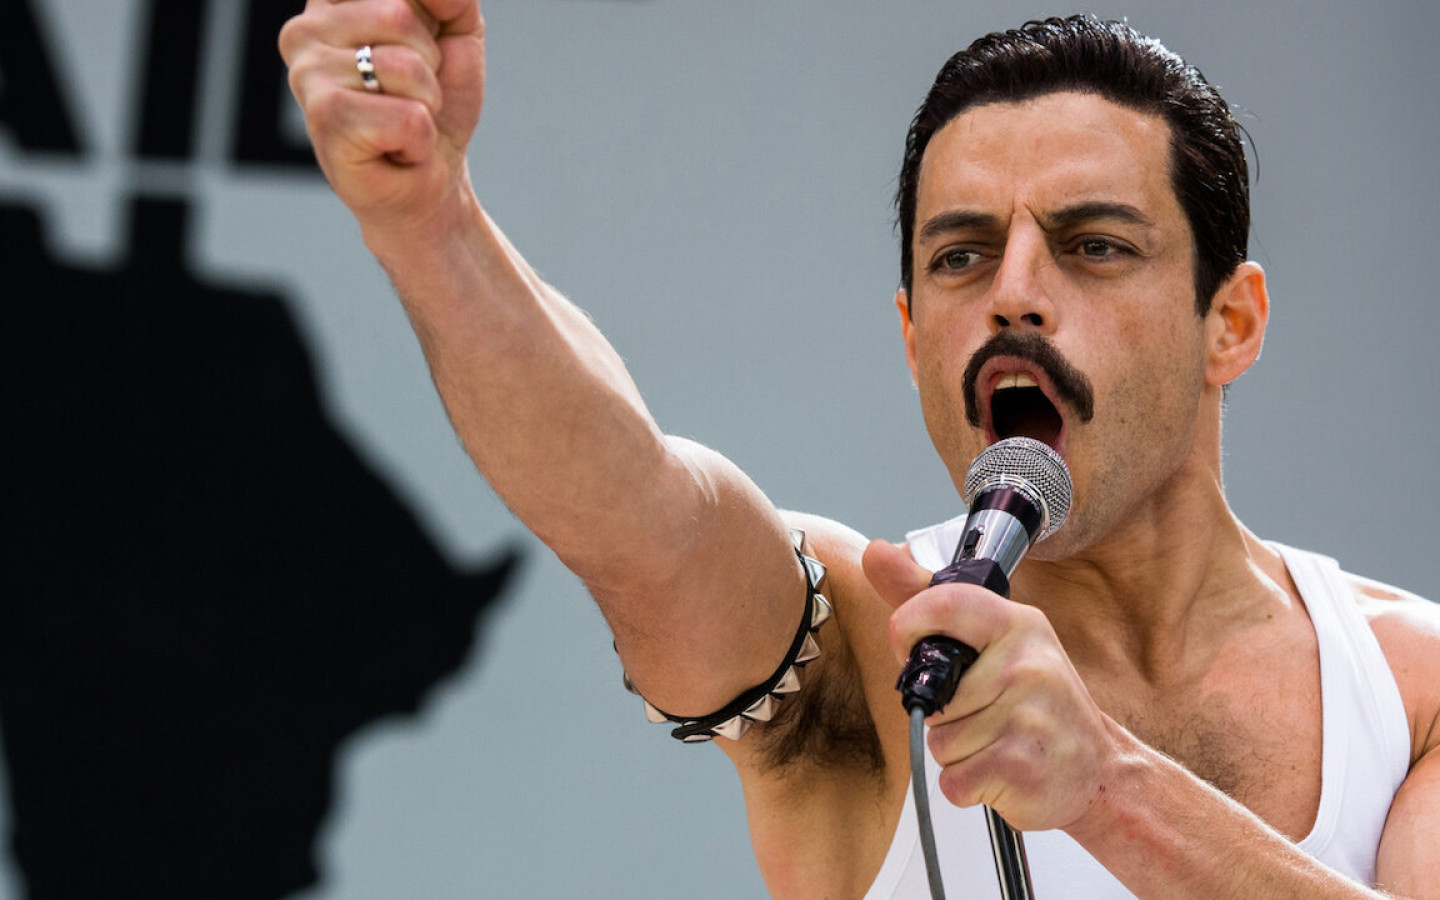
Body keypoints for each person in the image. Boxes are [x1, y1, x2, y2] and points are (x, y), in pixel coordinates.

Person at [280, 4, 1439, 897]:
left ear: (1229, 323)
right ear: (912, 336)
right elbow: (638, 509)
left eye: (1093, 244)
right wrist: (429, 222)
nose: (1014, 294)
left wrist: (1109, 790)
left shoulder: (1413, 688)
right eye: (960, 256)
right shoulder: (857, 650)